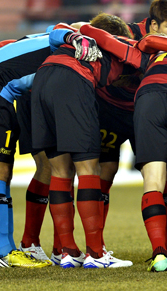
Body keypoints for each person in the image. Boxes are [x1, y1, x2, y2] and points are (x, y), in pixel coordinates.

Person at [77, 23, 167, 272]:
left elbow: (98, 34)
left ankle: (158, 253)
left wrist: (74, 31)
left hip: (148, 98)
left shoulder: (152, 55)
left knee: (152, 180)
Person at [31, 14, 135, 269]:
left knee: (60, 171)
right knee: (89, 169)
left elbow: (53, 29)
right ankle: (96, 255)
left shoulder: (72, 41)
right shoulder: (120, 47)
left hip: (42, 80)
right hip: (73, 82)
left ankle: (67, 253)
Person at [97, 0, 167, 258]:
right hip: (111, 111)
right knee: (105, 172)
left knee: (161, 176)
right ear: (153, 25)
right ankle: (98, 248)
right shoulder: (128, 34)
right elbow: (85, 29)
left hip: (145, 113)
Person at [0, 30, 62, 268]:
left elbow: (21, 40)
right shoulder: (65, 41)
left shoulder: (54, 37)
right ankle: (3, 252)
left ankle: (8, 251)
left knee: (4, 173)